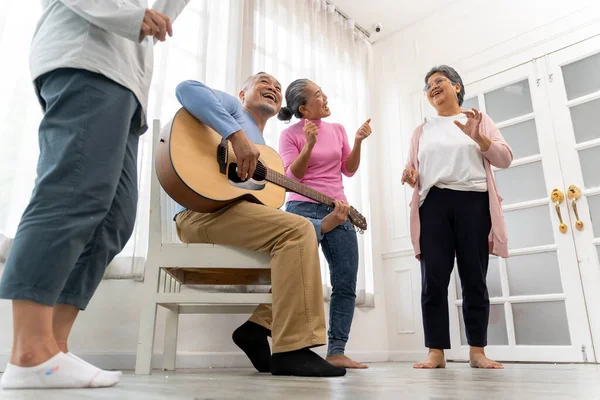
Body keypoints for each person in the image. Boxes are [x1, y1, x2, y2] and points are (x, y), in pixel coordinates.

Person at [0, 0, 189, 390]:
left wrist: (145, 17)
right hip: (86, 55)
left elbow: (164, 13)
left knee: (115, 218)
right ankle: (29, 351)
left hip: (126, 78)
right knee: (71, 191)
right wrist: (131, 16)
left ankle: (54, 345)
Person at [173, 73, 346, 378]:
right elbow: (186, 89)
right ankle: (292, 350)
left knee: (299, 233)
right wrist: (237, 137)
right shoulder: (230, 109)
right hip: (199, 212)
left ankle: (257, 327)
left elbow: (265, 215)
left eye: (278, 88)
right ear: (243, 93)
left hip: (228, 217)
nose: (273, 88)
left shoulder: (266, 154)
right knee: (297, 231)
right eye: (264, 82)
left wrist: (324, 224)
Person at [401, 65, 512, 369]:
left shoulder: (478, 119)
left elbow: (505, 159)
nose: (433, 87)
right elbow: (413, 171)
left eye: (439, 82)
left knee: (474, 276)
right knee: (433, 279)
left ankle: (477, 351)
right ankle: (436, 352)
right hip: (433, 204)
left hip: (473, 202)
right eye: (428, 85)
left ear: (457, 87)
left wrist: (481, 139)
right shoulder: (422, 131)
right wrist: (410, 174)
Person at [276, 79, 371, 369]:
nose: (325, 97)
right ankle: (294, 348)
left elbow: (349, 170)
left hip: (339, 209)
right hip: (301, 209)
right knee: (298, 279)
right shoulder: (289, 135)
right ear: (304, 108)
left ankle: (337, 351)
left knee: (345, 281)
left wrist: (357, 141)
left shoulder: (338, 129)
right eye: (318, 95)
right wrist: (310, 144)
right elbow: (292, 178)